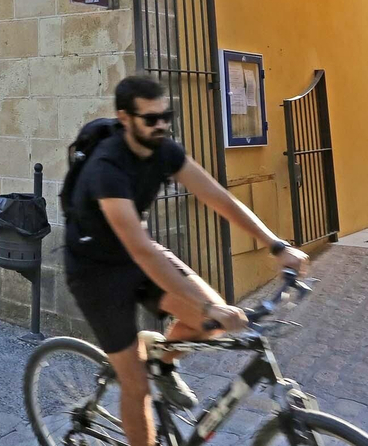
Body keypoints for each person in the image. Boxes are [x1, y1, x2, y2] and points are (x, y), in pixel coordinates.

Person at [63, 75, 310, 446]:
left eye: (166, 116)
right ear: (125, 118)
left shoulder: (164, 150)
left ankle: (162, 363)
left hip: (138, 256)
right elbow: (141, 250)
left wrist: (277, 246)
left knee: (209, 325)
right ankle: (144, 377)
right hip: (96, 274)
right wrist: (208, 306)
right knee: (136, 385)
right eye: (150, 119)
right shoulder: (106, 167)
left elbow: (219, 198)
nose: (161, 125)